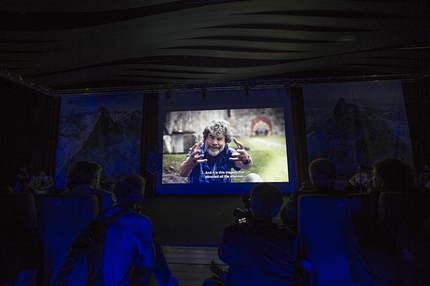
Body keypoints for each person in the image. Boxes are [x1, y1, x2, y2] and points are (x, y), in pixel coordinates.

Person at [202, 183, 299, 286]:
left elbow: (225, 257)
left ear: (252, 205)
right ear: (278, 209)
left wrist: (240, 225)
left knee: (209, 283)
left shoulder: (234, 232)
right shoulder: (290, 237)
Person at [179, 119, 258, 183]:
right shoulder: (196, 153)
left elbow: (247, 166)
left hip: (224, 195)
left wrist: (246, 159)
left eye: (219, 139)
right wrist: (190, 163)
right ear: (205, 138)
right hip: (200, 196)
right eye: (211, 137)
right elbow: (183, 173)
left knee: (253, 177)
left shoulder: (229, 152)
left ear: (226, 142)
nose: (214, 143)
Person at [280, 158, 339, 229]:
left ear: (312, 178)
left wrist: (302, 189)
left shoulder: (299, 196)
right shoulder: (348, 196)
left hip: (307, 240)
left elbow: (288, 218)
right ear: (334, 176)